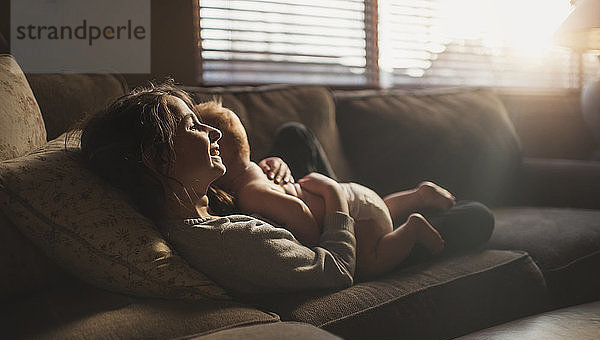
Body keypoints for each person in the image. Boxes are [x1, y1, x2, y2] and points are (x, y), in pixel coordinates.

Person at [80, 82, 356, 295]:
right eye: (193, 126)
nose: (215, 132)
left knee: (293, 135)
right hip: (341, 213)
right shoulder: (234, 240)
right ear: (159, 158)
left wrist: (268, 169)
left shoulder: (198, 201)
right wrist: (335, 195)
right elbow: (337, 271)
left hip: (296, 195)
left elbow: (244, 176)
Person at [195, 100, 483, 280]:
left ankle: (413, 229)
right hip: (355, 197)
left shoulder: (249, 191)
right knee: (473, 216)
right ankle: (418, 197)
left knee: (369, 261)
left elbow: (297, 211)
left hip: (348, 212)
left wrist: (311, 239)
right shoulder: (251, 179)